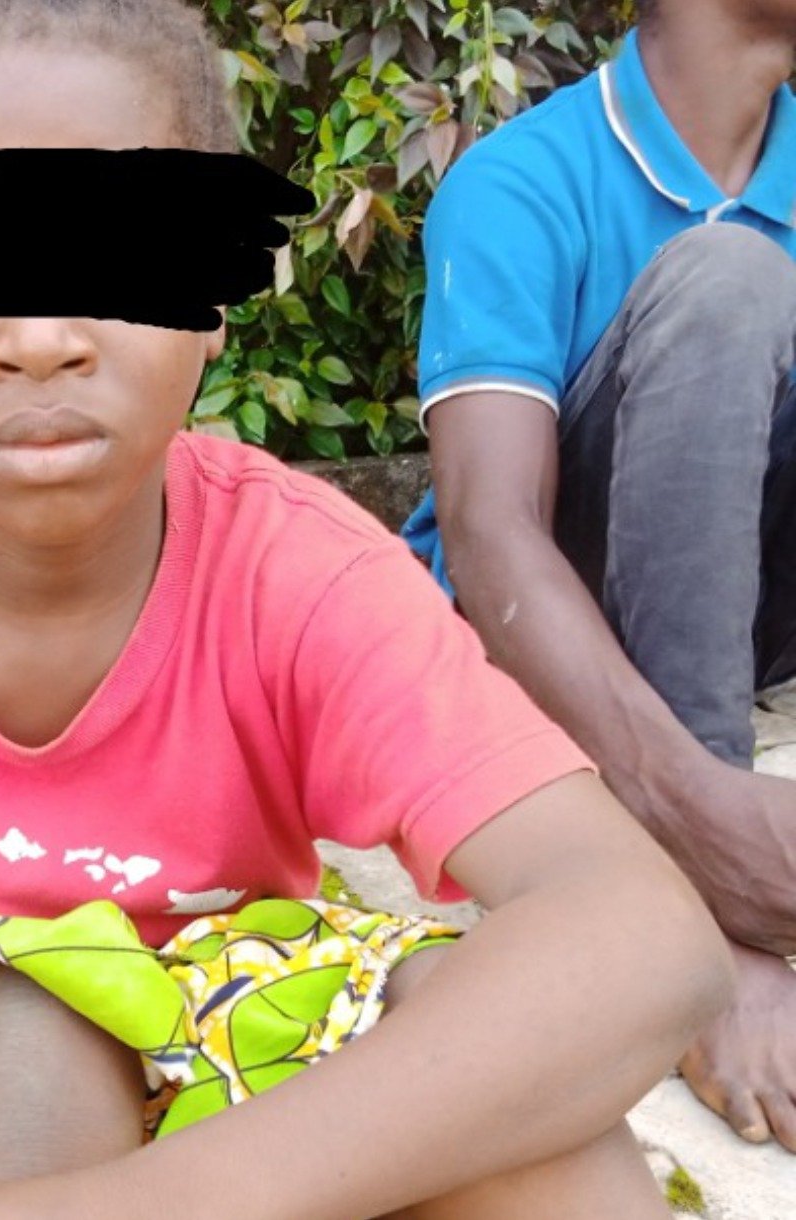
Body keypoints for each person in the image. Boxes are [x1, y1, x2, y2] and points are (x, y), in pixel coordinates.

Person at [0, 2, 731, 1218]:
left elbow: (636, 930)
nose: (38, 337)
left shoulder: (294, 569)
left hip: (251, 1057)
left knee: (531, 1112)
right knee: (18, 1018)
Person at [402, 0, 796, 1153]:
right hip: (542, 626)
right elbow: (490, 532)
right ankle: (703, 885)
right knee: (725, 280)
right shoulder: (519, 180)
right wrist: (708, 837)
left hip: (751, 598)